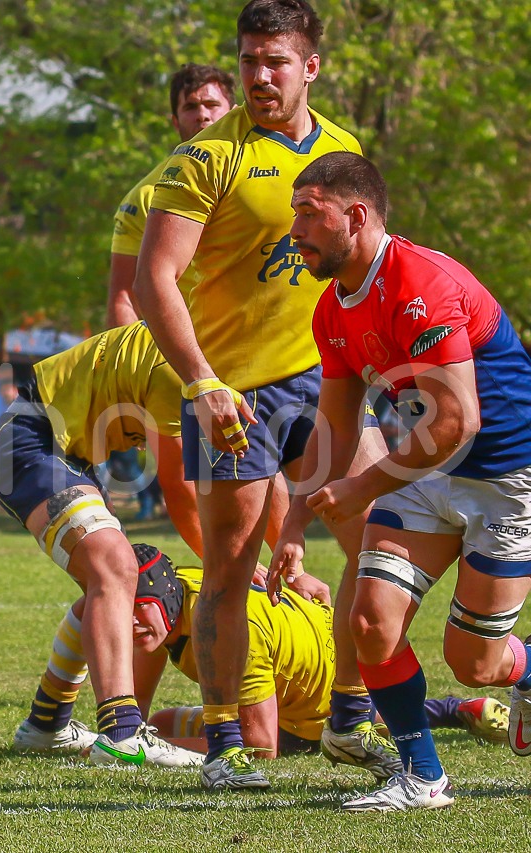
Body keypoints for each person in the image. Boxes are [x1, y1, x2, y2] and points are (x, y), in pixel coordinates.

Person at [132, 0, 397, 790]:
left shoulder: (344, 151)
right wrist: (201, 381)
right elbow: (154, 279)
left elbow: (367, 267)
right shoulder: (205, 158)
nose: (259, 75)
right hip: (233, 395)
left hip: (328, 380)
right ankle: (226, 745)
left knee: (382, 538)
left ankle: (349, 716)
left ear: (310, 66)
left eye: (275, 60)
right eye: (248, 59)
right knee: (229, 567)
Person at [271, 152, 531, 811]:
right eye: (294, 214)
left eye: (309, 214)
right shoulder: (331, 310)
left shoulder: (421, 284)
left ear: (356, 216)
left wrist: (362, 488)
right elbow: (334, 427)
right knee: (369, 619)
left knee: (476, 664)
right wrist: (295, 523)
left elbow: (459, 420)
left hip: (506, 480)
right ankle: (423, 776)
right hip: (424, 470)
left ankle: (527, 671)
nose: (295, 230)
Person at [0, 321, 326, 763]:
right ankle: (122, 734)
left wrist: (292, 568)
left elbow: (255, 470)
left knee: (116, 583)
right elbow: (180, 489)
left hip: (68, 452)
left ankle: (45, 723)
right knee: (114, 567)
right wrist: (226, 568)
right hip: (32, 440)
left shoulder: (228, 360)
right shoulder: (186, 365)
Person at [130, 545, 509, 756]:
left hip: (315, 705)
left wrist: (152, 751)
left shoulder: (228, 635)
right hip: (325, 643)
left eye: (139, 607)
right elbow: (141, 696)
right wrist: (131, 735)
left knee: (344, 719)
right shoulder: (180, 586)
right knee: (163, 721)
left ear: (167, 596)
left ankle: (448, 712)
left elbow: (262, 745)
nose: (129, 621)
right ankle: (454, 709)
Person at [107, 62, 235, 329]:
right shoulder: (143, 197)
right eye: (190, 107)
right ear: (175, 121)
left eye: (212, 104)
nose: (202, 115)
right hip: (190, 344)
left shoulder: (270, 169)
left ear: (234, 112)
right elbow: (124, 299)